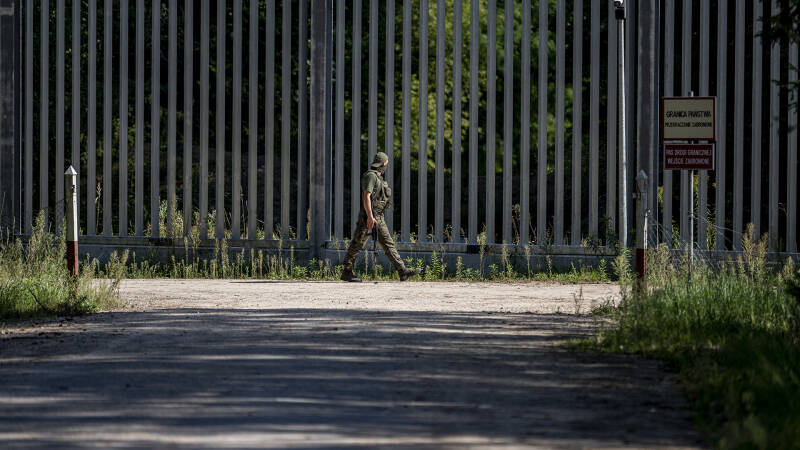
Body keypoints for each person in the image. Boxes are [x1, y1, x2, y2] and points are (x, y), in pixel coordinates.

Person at [340, 152, 420, 282]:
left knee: (388, 243)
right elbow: (366, 196)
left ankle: (402, 271)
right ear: (383, 164)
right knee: (358, 243)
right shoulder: (371, 176)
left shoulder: (378, 177)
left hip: (378, 216)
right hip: (369, 216)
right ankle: (346, 272)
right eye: (386, 164)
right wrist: (370, 216)